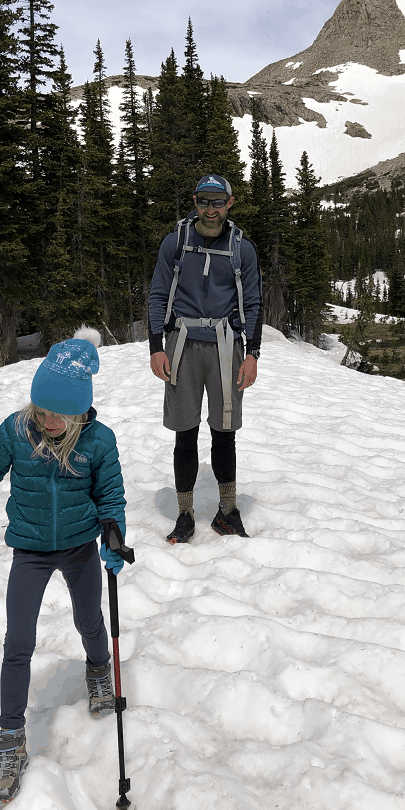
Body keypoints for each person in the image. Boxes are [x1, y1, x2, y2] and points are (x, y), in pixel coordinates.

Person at [0, 327, 128, 806]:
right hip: (31, 549)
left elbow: (111, 498)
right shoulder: (19, 430)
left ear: (80, 409)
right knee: (17, 641)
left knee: (89, 620)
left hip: (81, 546)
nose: (48, 421)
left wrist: (113, 534)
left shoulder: (98, 442)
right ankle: (10, 738)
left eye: (58, 415)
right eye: (42, 411)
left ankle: (100, 671)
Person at [148, 173, 262, 543]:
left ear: (230, 204)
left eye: (217, 202)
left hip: (227, 346)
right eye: (203, 201)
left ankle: (227, 511)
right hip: (182, 343)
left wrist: (253, 354)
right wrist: (155, 347)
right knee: (185, 432)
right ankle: (185, 513)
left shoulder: (242, 249)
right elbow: (158, 294)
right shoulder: (175, 243)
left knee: (224, 432)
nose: (210, 210)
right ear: (195, 202)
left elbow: (254, 303)